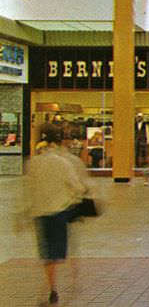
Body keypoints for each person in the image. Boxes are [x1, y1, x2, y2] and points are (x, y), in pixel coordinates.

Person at [25, 127, 89, 305]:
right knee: (62, 249)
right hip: (60, 211)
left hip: (40, 213)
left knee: (48, 254)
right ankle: (71, 280)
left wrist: (23, 213)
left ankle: (52, 287)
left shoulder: (34, 163)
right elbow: (77, 187)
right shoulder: (64, 163)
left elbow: (28, 190)